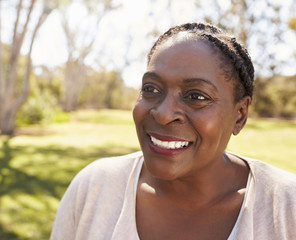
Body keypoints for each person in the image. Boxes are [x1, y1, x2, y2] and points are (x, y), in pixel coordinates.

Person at [50, 22, 296, 240]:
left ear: (239, 115)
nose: (164, 113)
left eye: (196, 96)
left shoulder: (285, 208)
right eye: (151, 89)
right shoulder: (95, 188)